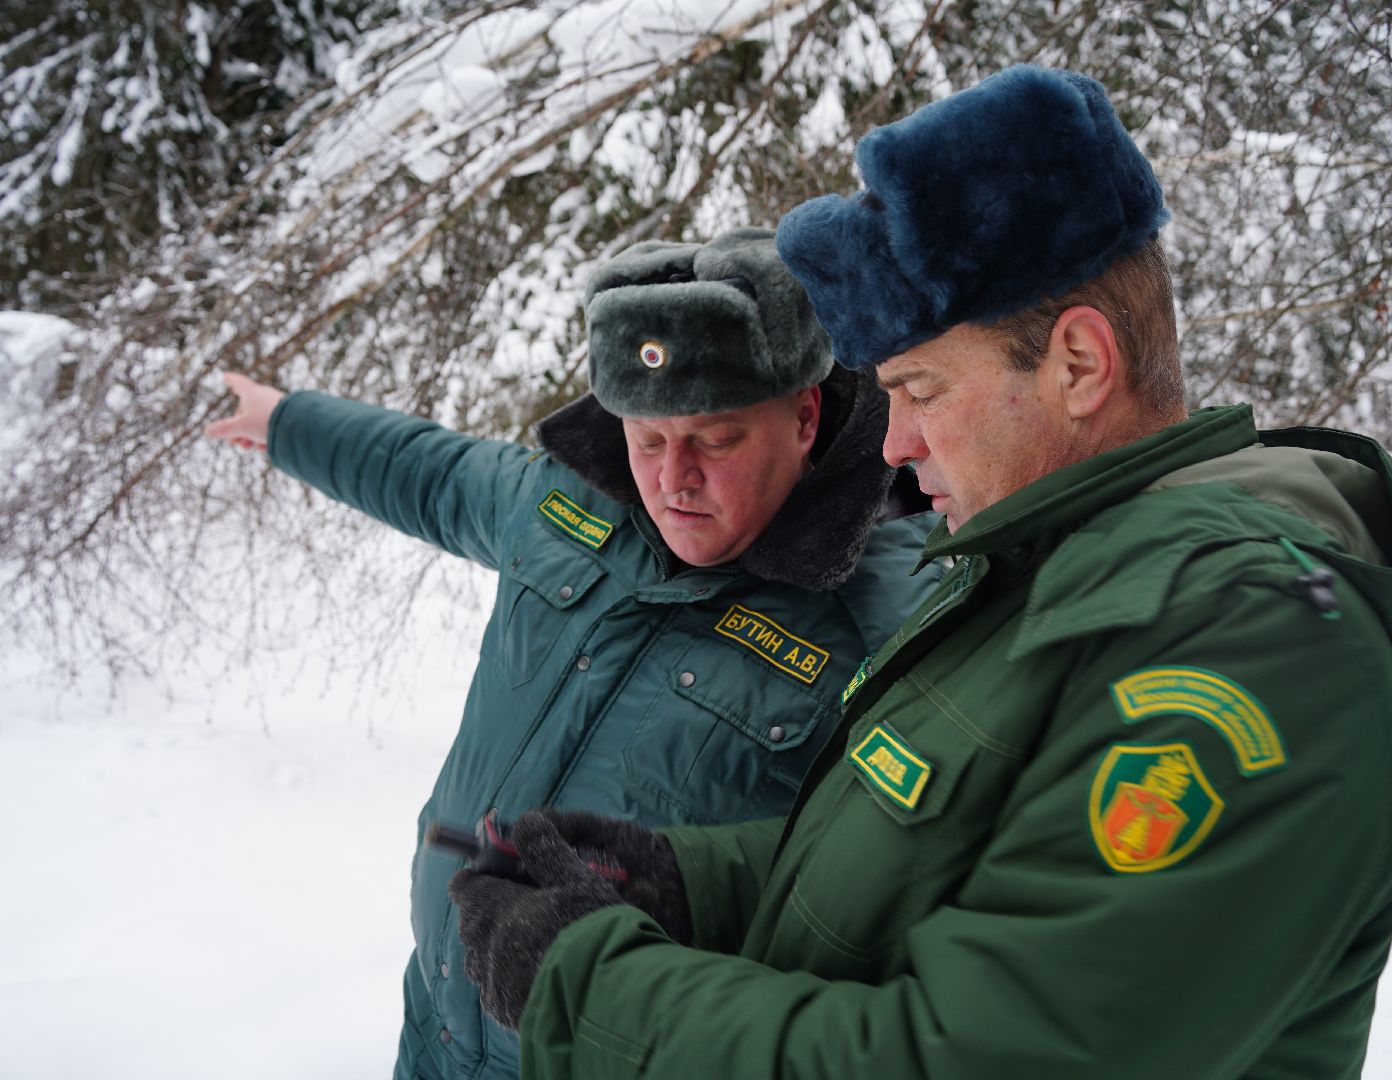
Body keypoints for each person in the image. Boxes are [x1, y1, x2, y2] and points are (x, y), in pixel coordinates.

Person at [448, 67, 1392, 1078]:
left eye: (919, 389)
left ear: (1080, 365)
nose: (893, 444)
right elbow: (923, 868)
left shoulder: (1254, 652)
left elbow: (972, 1056)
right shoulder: (1046, 580)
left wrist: (588, 984)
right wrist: (688, 880)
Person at [204, 227, 943, 1080]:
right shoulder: (567, 508)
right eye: (647, 438)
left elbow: (877, 897)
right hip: (437, 1024)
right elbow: (431, 473)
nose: (673, 480)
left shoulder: (886, 624)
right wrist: (287, 422)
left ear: (805, 415)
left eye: (716, 439)